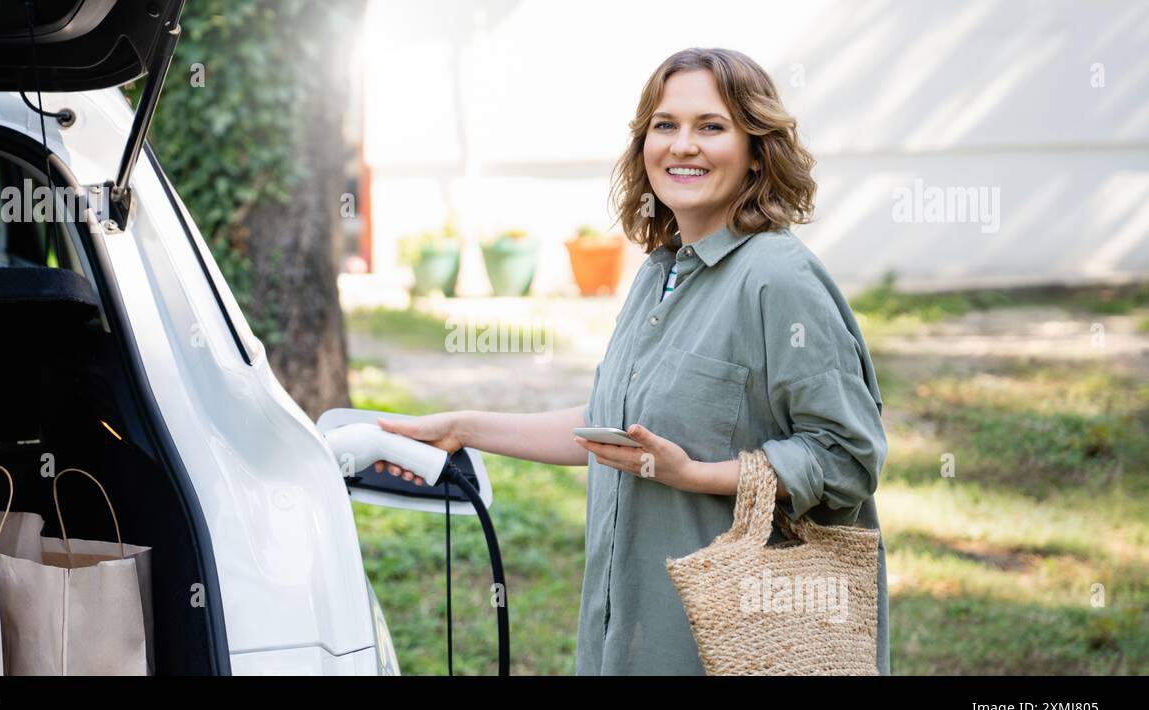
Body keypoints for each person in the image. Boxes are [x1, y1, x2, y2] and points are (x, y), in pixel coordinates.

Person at [374, 47, 889, 676]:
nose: (683, 146)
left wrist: (692, 474)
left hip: (740, 646)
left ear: (757, 150)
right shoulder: (660, 272)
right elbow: (613, 426)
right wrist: (464, 427)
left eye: (711, 126)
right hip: (634, 636)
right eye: (665, 125)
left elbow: (848, 456)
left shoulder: (778, 280)